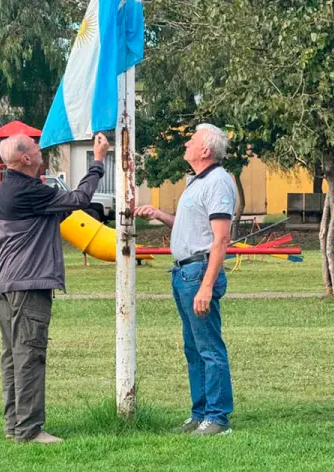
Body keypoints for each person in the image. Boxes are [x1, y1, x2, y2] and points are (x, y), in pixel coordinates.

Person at [0, 132, 109, 444]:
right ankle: (30, 430)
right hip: (29, 286)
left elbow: (60, 210)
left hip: (9, 284)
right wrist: (97, 161)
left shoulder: (10, 187)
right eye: (33, 145)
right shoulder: (30, 191)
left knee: (13, 356)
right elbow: (80, 200)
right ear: (26, 158)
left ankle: (13, 425)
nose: (39, 147)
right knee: (30, 355)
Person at [135, 124, 237, 436]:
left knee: (209, 348)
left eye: (191, 142)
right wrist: (160, 215)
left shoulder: (218, 182)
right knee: (193, 348)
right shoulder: (196, 182)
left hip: (198, 274)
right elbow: (192, 225)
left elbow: (220, 240)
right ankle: (200, 413)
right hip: (182, 272)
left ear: (206, 151)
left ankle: (218, 418)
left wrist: (207, 285)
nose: (186, 145)